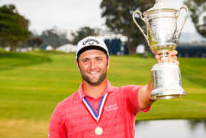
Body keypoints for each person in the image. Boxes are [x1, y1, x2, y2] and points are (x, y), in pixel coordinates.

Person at [48, 36, 179, 138]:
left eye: (98, 59)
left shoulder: (125, 96)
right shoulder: (62, 110)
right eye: (86, 60)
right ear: (78, 64)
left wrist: (164, 65)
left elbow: (149, 92)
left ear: (108, 62)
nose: (93, 66)